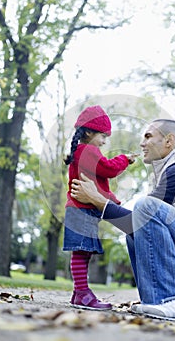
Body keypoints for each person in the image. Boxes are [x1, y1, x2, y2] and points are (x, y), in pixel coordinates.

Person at [70, 118, 175, 321]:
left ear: (169, 141)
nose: (142, 143)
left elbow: (142, 218)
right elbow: (141, 227)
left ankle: (174, 300)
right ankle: (157, 300)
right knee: (135, 231)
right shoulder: (169, 170)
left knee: (145, 207)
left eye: (148, 136)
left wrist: (99, 201)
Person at [63, 105, 137, 311]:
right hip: (81, 209)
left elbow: (98, 179)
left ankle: (79, 293)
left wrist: (111, 199)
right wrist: (124, 159)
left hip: (81, 209)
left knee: (83, 252)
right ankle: (83, 293)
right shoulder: (88, 151)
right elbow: (108, 169)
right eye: (103, 136)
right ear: (88, 132)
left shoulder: (82, 152)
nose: (105, 141)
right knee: (81, 252)